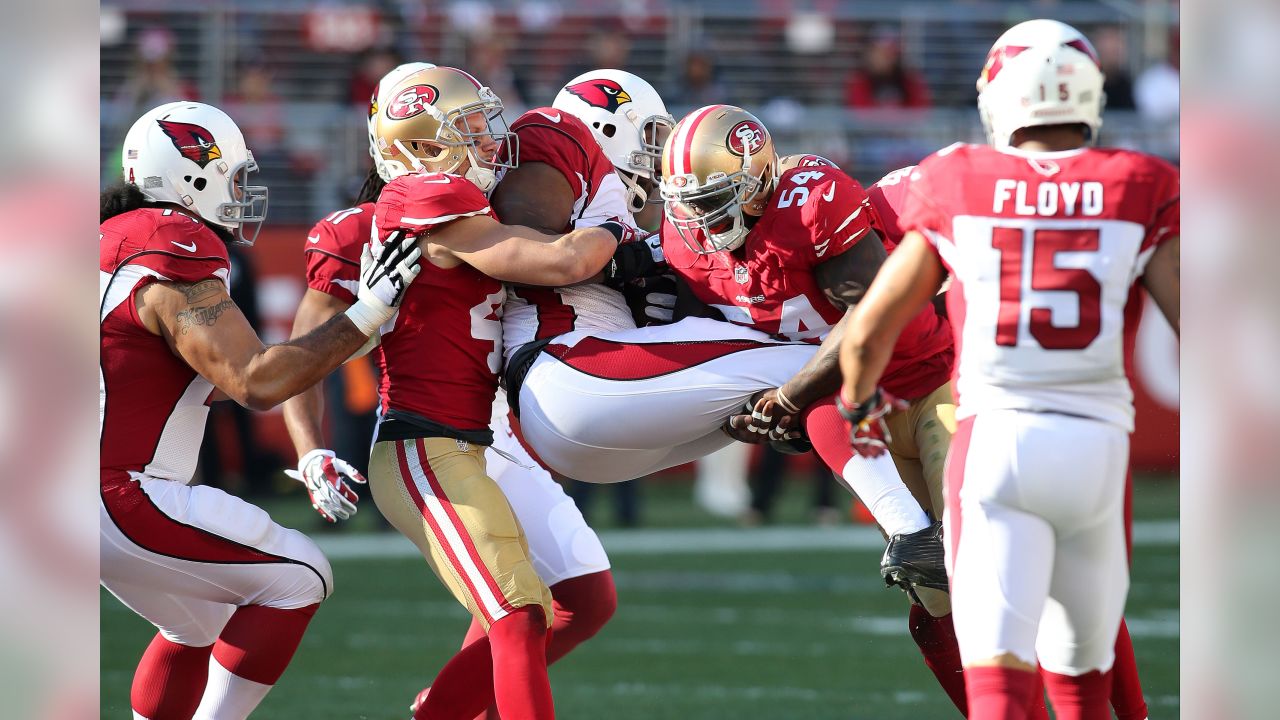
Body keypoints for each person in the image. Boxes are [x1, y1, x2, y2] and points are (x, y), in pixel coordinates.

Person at [837, 20, 1179, 719]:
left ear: (998, 96)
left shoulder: (957, 177)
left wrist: (859, 410)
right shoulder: (1141, 181)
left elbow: (868, 328)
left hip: (993, 445)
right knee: (1083, 678)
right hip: (1094, 449)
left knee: (998, 686)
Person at [280, 62, 619, 720]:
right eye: (471, 131)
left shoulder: (472, 210)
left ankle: (439, 712)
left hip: (482, 437)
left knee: (575, 597)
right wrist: (620, 225)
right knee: (518, 614)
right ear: (417, 147)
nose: (493, 144)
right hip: (423, 443)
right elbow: (299, 357)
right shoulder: (414, 208)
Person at [100, 100, 421, 720]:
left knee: (198, 623)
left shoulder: (106, 243)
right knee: (301, 576)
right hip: (115, 494)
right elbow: (254, 383)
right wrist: (369, 310)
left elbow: (175, 375)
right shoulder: (173, 246)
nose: (241, 191)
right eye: (231, 174)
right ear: (190, 174)